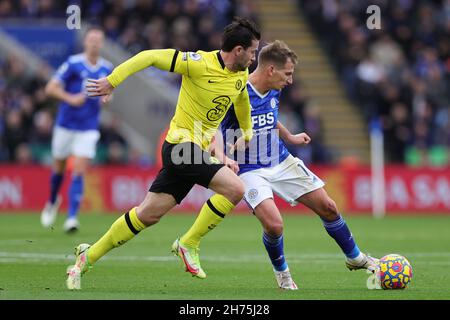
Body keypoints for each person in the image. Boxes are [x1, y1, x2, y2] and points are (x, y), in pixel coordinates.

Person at [65, 17, 260, 290]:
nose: (254, 58)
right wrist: (112, 81)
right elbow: (149, 56)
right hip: (180, 146)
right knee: (235, 189)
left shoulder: (239, 75)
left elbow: (241, 102)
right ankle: (188, 243)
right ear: (238, 50)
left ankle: (88, 256)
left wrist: (246, 133)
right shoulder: (197, 63)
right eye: (252, 51)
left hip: (193, 153)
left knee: (147, 215)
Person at [209, 40, 379, 290]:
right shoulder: (236, 89)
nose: (290, 80)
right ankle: (283, 273)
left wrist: (289, 136)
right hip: (248, 169)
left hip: (280, 159)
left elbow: (269, 117)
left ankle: (355, 258)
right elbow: (213, 126)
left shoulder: (274, 88)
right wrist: (222, 156)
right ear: (270, 71)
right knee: (274, 225)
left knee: (329, 207)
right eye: (287, 74)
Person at [41, 26, 113, 233]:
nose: (94, 43)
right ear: (85, 42)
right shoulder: (73, 63)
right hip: (65, 124)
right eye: (91, 39)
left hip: (88, 127)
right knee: (59, 168)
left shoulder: (107, 68)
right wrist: (70, 98)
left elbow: (109, 94)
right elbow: (51, 87)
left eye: (98, 40)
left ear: (102, 43)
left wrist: (107, 98)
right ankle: (53, 200)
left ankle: (72, 218)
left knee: (79, 170)